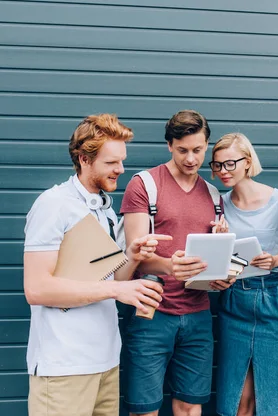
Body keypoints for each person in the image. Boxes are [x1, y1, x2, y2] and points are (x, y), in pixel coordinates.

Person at [24, 113, 168, 416]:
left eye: (122, 160)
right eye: (111, 162)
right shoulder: (54, 205)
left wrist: (133, 254)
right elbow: (37, 289)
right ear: (83, 159)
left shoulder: (103, 209)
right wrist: (117, 290)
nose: (121, 169)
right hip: (64, 367)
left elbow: (111, 281)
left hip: (105, 362)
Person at [120, 109, 226, 416]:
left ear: (207, 145)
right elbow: (136, 252)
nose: (191, 159)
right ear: (169, 145)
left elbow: (210, 256)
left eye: (198, 150)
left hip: (198, 316)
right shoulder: (145, 185)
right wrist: (169, 266)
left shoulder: (213, 193)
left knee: (190, 406)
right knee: (144, 409)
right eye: (182, 150)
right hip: (151, 312)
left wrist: (222, 271)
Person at [210, 133, 278, 416]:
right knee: (236, 398)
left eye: (230, 164)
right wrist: (219, 241)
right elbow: (214, 257)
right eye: (217, 166)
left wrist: (275, 260)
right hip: (234, 302)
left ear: (247, 162)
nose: (223, 172)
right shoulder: (220, 204)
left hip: (273, 302)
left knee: (270, 397)